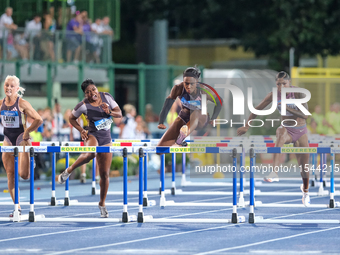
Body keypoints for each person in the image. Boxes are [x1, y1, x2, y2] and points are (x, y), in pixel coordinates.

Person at [237, 71, 310, 206]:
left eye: (284, 84)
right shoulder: (274, 96)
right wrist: (247, 126)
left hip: (301, 131)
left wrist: (287, 106)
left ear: (290, 83)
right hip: (287, 129)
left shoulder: (299, 93)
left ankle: (305, 190)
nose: (281, 87)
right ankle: (274, 172)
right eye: (278, 84)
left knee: (304, 168)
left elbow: (305, 115)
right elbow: (256, 110)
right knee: (280, 133)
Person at [57, 79, 122, 217]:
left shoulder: (107, 97)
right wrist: (81, 130)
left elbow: (119, 114)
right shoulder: (83, 105)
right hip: (92, 135)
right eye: (87, 92)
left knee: (104, 174)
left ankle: (102, 203)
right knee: (91, 153)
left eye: (93, 89)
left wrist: (109, 111)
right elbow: (71, 118)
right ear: (85, 95)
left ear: (97, 89)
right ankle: (69, 170)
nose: (91, 93)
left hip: (106, 138)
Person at [0, 75, 43, 216]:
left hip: (21, 139)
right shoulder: (0, 104)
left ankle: (31, 162)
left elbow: (39, 119)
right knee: (10, 175)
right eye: (7, 85)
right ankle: (17, 207)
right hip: (7, 139)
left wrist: (28, 131)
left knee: (24, 175)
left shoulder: (22, 103)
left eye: (12, 86)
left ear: (17, 89)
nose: (9, 88)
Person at [157, 66, 223, 147]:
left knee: (195, 112)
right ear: (183, 81)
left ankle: (182, 137)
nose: (188, 87)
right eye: (186, 83)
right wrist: (161, 122)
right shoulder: (178, 88)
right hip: (185, 117)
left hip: (201, 119)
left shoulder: (203, 90)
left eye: (192, 84)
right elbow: (167, 104)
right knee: (161, 147)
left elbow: (220, 101)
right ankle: (180, 138)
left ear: (197, 82)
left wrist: (214, 118)